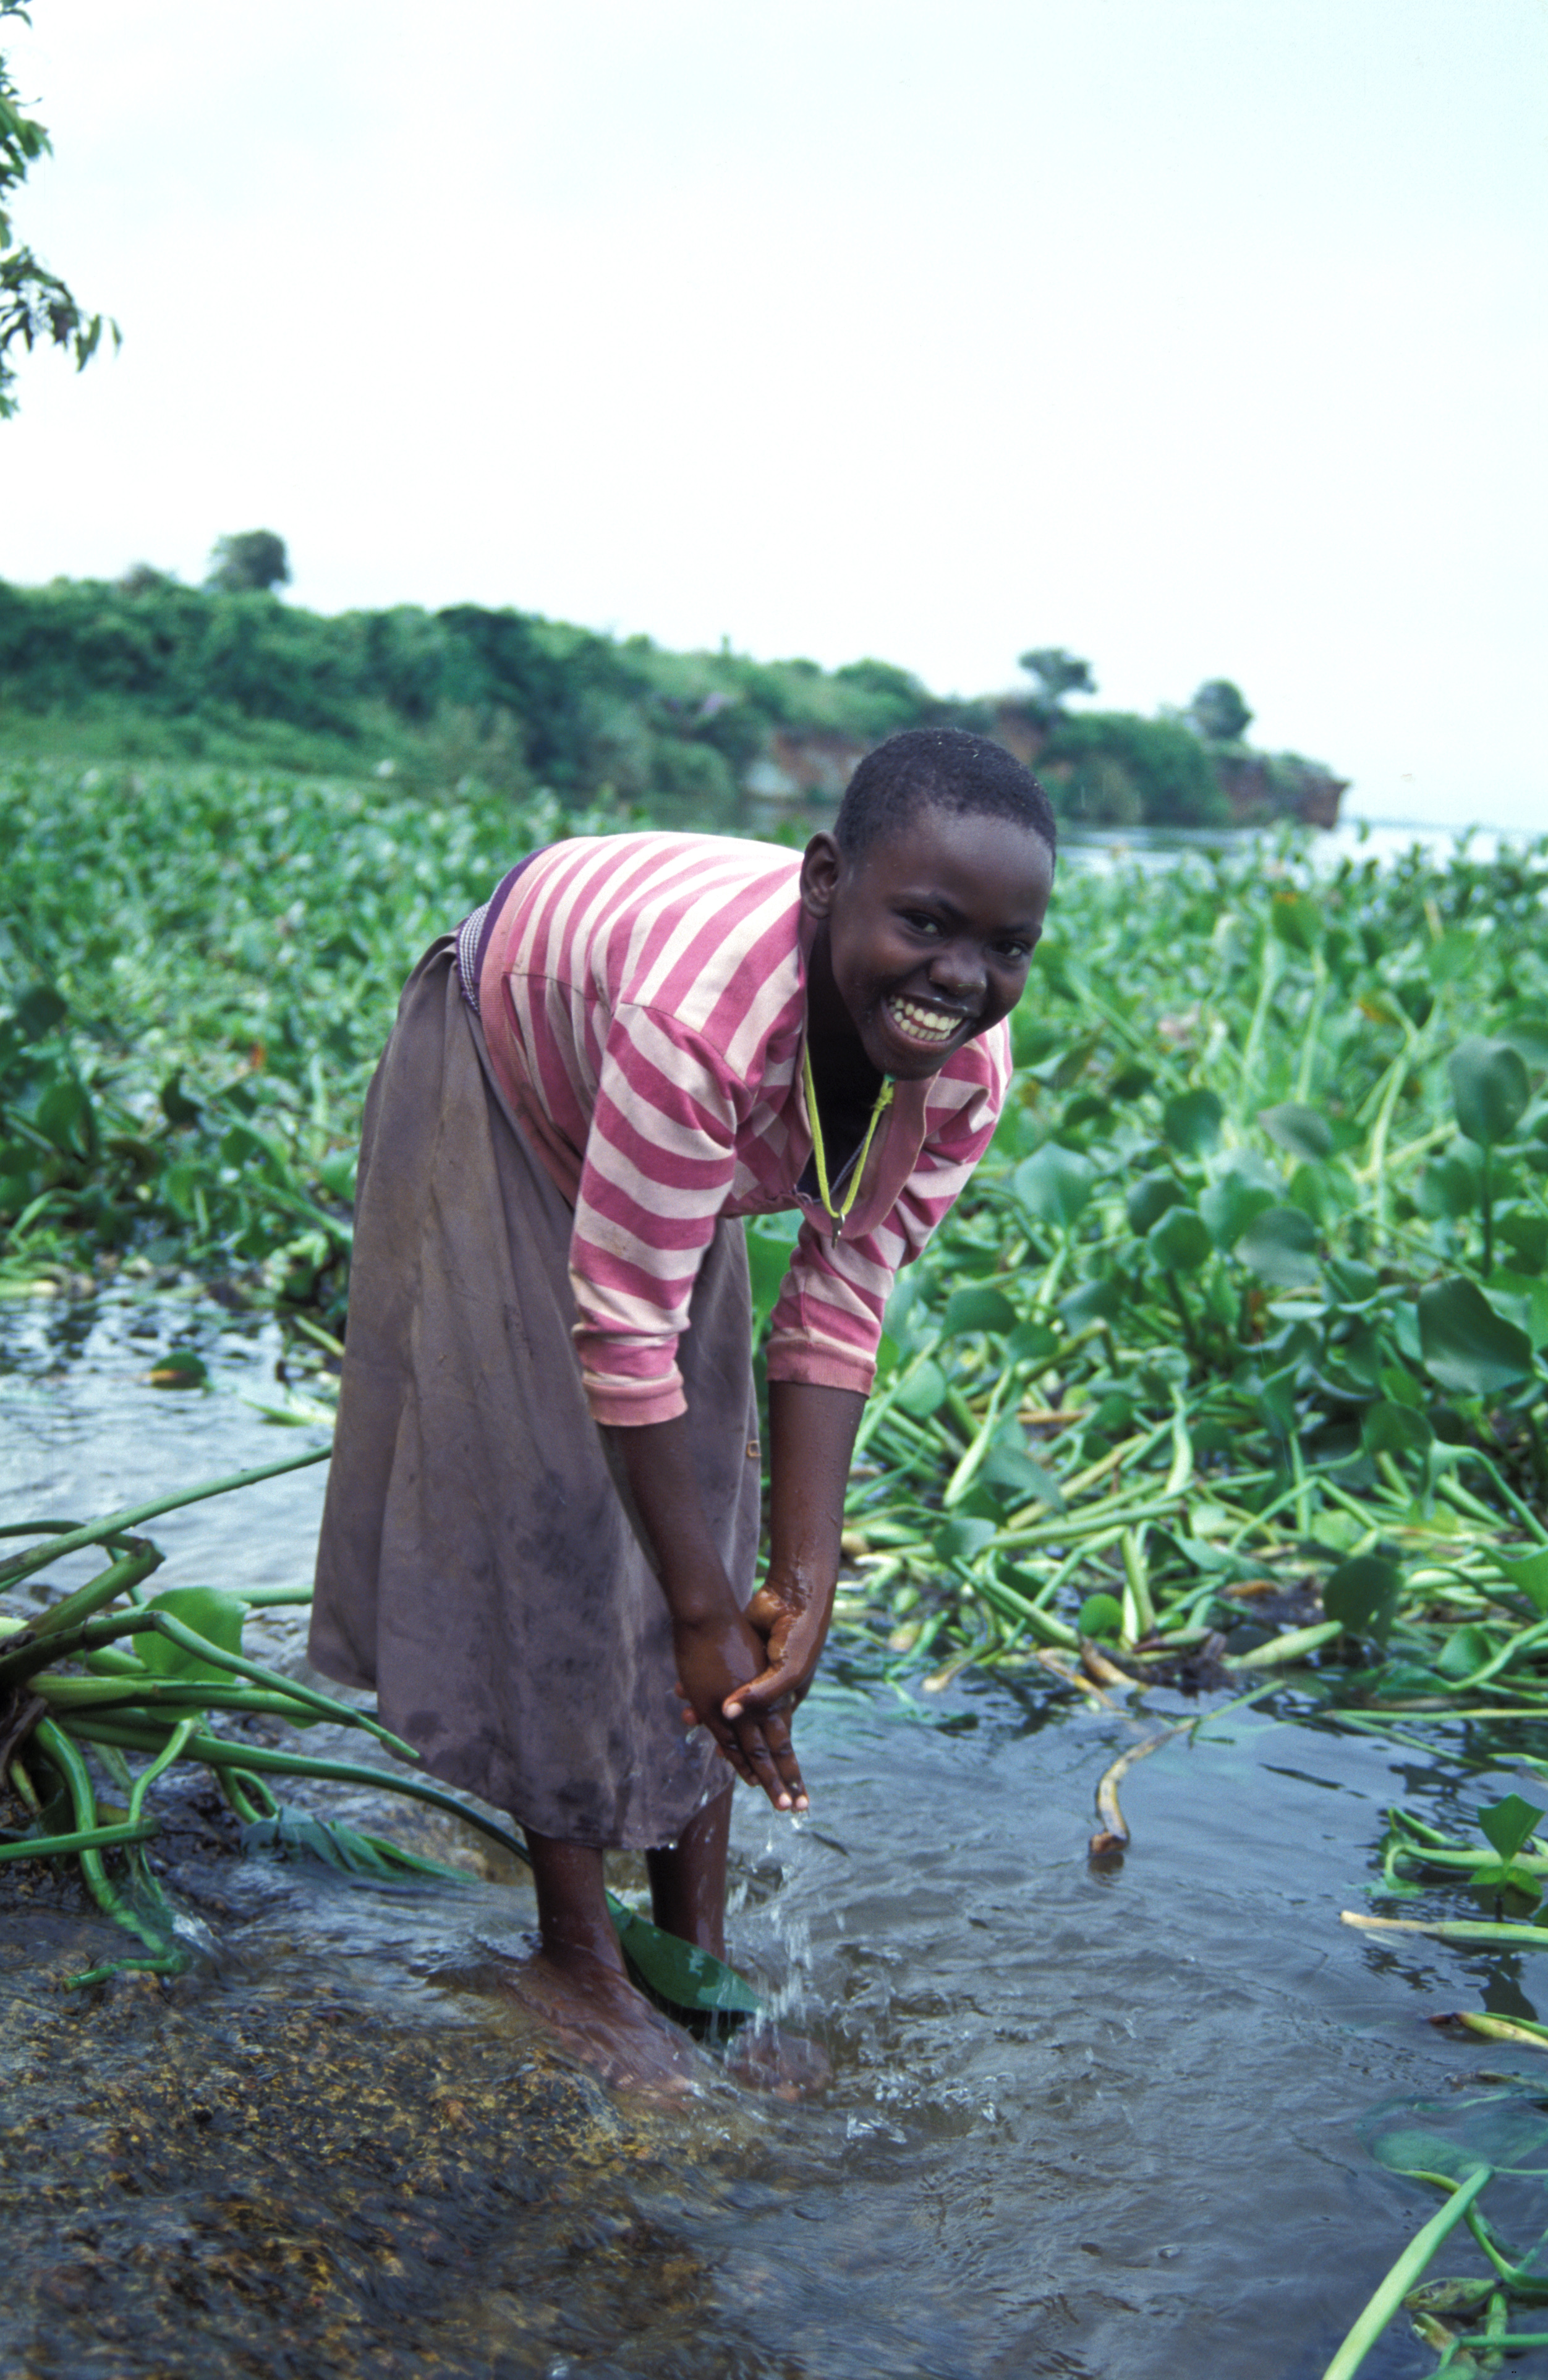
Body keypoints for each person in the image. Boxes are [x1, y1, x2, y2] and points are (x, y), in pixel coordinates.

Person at [309, 726, 1056, 2087]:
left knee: (709, 1500)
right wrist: (702, 1611)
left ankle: (699, 1960)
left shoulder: (962, 1073)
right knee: (557, 1510)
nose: (962, 976)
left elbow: (836, 1305)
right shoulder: (698, 1022)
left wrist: (793, 1581)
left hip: (666, 1123)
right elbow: (622, 1327)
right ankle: (576, 1957)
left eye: (1005, 947)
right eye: (929, 923)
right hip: (512, 1067)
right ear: (825, 879)